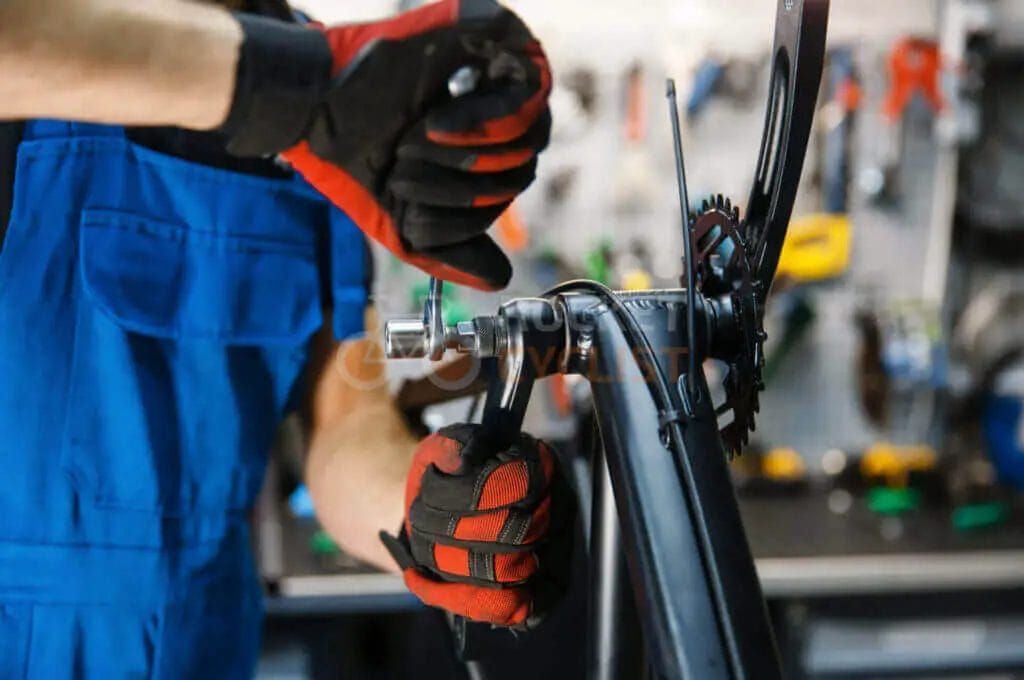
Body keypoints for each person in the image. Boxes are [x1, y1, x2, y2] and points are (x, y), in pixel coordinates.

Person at [0, 0, 570, 676]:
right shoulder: (41, 36)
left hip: (200, 638)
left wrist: (429, 516)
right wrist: (290, 88)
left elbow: (344, 423)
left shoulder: (340, 97)